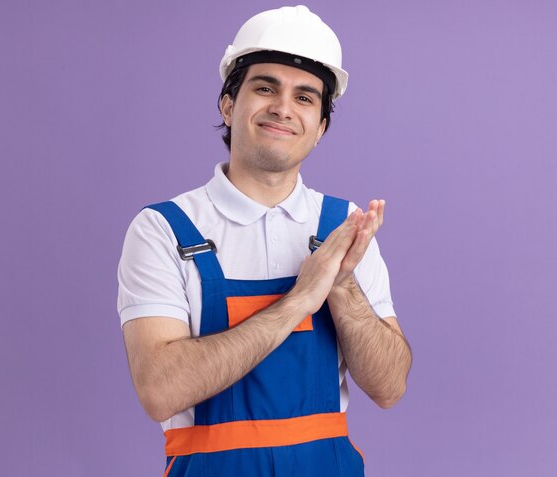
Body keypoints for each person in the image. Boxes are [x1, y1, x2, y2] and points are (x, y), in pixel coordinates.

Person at [118, 5, 412, 476]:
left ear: (320, 128)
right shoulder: (163, 230)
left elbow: (389, 386)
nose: (282, 108)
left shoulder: (344, 227)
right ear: (228, 104)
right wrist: (299, 300)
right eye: (264, 87)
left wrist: (341, 286)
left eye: (305, 97)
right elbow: (160, 391)